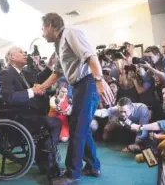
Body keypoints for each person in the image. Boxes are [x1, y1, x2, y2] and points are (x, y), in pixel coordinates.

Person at [38, 13, 114, 184]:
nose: (42, 33)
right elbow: (57, 72)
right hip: (79, 86)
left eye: (43, 28)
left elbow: (90, 56)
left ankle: (72, 174)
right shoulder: (58, 44)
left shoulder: (70, 33)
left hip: (88, 83)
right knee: (83, 129)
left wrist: (99, 80)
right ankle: (93, 166)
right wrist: (42, 87)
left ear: (50, 25)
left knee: (77, 130)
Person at [0, 46, 62, 178]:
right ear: (12, 57)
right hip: (19, 116)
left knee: (52, 122)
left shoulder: (25, 72)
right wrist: (32, 91)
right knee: (55, 123)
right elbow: (8, 97)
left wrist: (50, 66)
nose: (24, 54)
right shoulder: (6, 72)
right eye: (21, 52)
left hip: (32, 112)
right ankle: (47, 160)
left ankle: (44, 158)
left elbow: (38, 80)